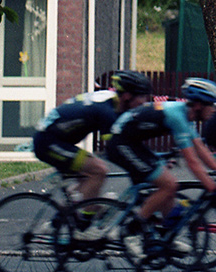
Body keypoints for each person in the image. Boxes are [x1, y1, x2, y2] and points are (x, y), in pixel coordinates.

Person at [105, 73, 216, 259]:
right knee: (169, 184)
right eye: (212, 106)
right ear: (199, 105)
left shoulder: (184, 115)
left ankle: (166, 237)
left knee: (168, 189)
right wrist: (214, 187)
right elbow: (192, 162)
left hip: (132, 142)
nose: (214, 111)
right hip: (120, 144)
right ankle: (130, 231)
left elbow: (200, 148)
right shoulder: (178, 117)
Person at [31, 74, 141, 231]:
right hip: (48, 142)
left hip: (55, 139)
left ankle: (57, 223)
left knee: (89, 181)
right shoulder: (106, 112)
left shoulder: (112, 100)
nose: (144, 102)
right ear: (128, 96)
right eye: (143, 97)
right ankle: (85, 226)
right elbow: (115, 149)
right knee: (98, 170)